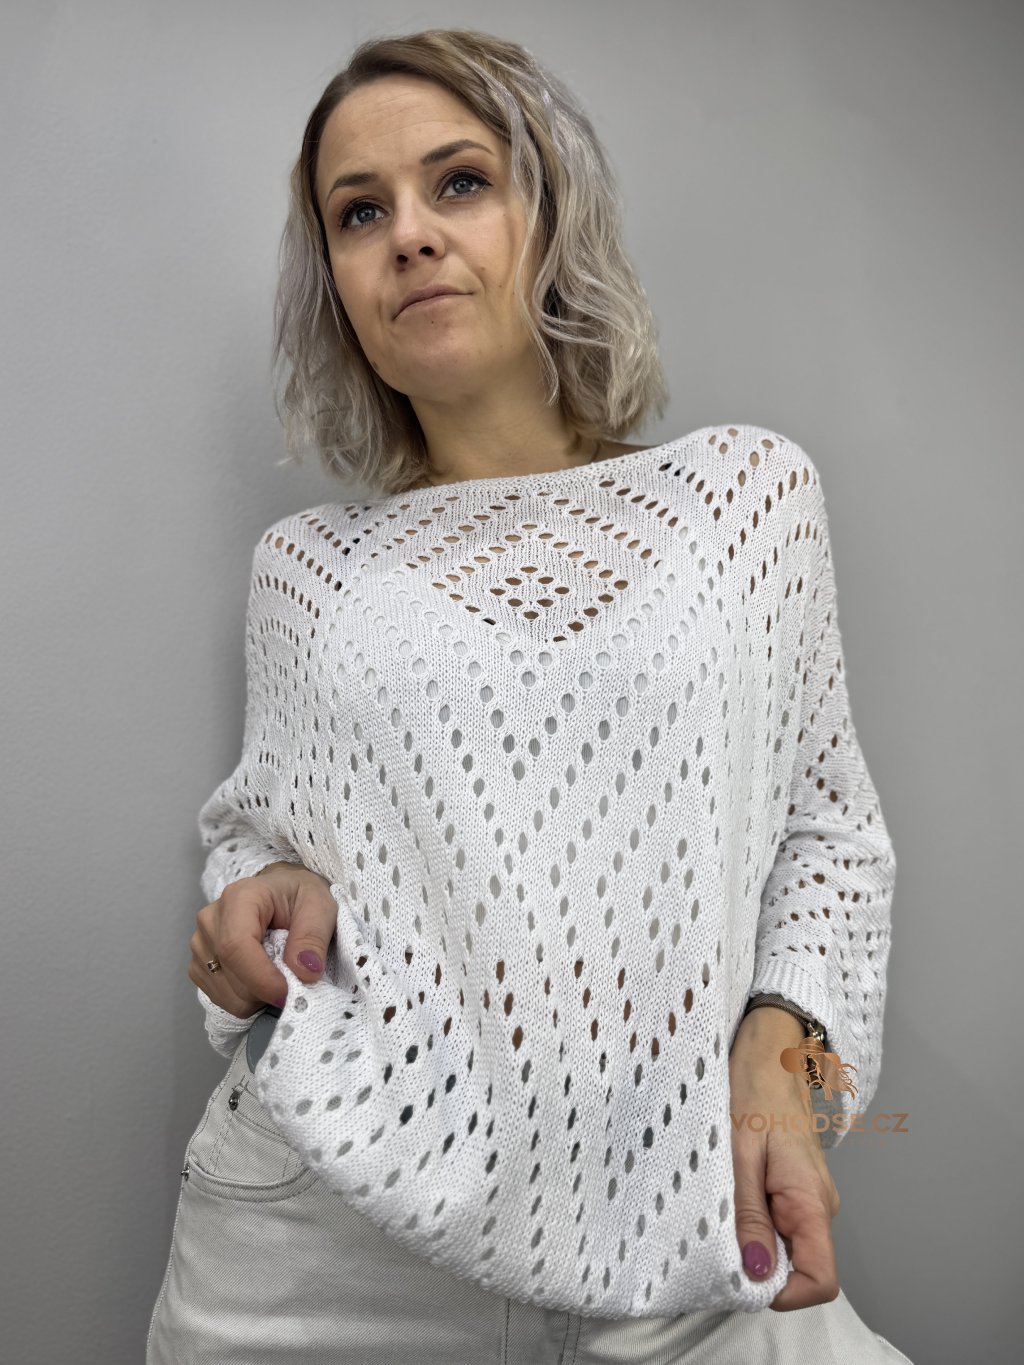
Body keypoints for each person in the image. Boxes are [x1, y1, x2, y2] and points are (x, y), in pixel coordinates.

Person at [147, 27, 913, 1365]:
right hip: (326, 1243)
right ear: (335, 284)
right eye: (359, 212)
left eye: (461, 182)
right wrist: (258, 904)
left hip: (685, 1234)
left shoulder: (745, 500)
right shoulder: (306, 570)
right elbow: (261, 835)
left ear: (552, 216)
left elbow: (827, 832)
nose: (410, 235)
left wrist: (786, 1052)